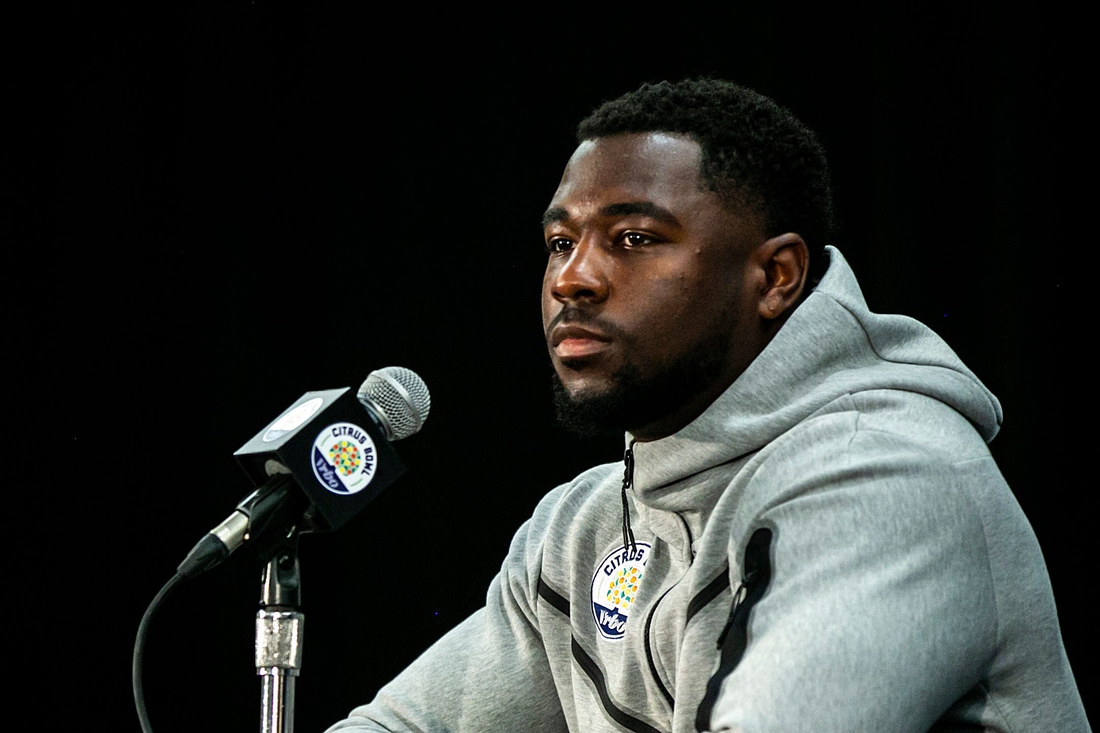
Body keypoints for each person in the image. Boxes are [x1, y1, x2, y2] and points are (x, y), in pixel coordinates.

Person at [328, 79, 1088, 732]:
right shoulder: (584, 527)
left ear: (776, 276)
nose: (573, 279)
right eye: (561, 242)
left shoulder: (895, 479)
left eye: (633, 237)